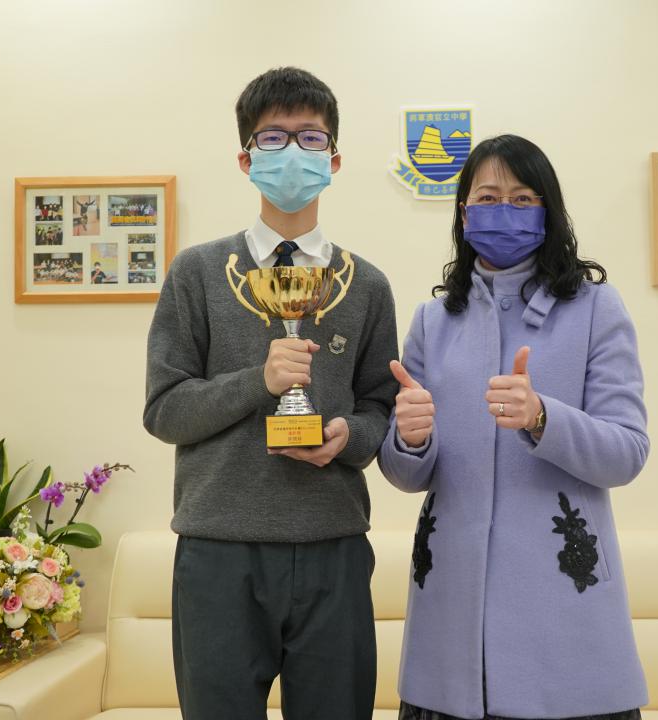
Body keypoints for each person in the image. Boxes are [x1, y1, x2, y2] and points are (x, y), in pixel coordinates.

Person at [144, 67, 399, 720]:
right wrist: (258, 381)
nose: (293, 152)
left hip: (334, 545)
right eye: (274, 137)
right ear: (246, 158)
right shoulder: (197, 273)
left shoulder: (366, 284)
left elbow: (380, 408)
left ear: (333, 160)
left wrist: (347, 437)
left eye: (310, 138)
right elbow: (165, 411)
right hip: (218, 550)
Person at [380, 134, 651, 720]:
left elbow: (627, 452)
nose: (504, 210)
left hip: (565, 618)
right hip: (450, 621)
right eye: (488, 197)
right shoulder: (433, 320)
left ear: (548, 211)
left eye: (523, 198)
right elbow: (406, 474)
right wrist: (409, 438)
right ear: (463, 212)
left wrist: (542, 417)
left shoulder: (596, 308)